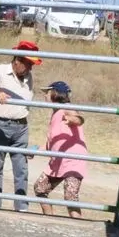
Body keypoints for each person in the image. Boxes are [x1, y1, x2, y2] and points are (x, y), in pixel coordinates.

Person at [0, 40, 41, 212]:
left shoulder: (28, 77)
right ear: (17, 60)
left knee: (21, 169)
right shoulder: (0, 71)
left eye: (32, 65)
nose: (30, 68)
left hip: (21, 126)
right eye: (28, 64)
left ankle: (21, 206)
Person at [32, 81, 89, 219]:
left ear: (55, 93)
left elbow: (79, 118)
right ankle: (49, 219)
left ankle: (77, 225)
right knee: (40, 188)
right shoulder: (55, 114)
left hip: (73, 160)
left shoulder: (65, 108)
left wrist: (73, 119)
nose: (45, 96)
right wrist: (35, 150)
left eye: (47, 92)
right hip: (58, 162)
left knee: (70, 196)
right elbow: (51, 144)